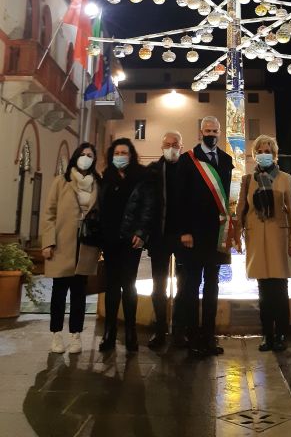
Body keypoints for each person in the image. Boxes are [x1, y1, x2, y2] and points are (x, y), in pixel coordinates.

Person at [177, 116, 233, 357]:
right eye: (207, 131)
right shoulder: (187, 160)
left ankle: (209, 336)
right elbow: (180, 198)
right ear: (201, 133)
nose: (211, 134)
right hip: (193, 234)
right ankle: (192, 336)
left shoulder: (227, 160)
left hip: (216, 234)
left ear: (220, 132)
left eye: (215, 130)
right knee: (191, 284)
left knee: (213, 285)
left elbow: (226, 198)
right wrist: (184, 230)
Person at [236, 134, 291, 352]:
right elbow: (241, 209)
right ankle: (267, 335)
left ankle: (281, 334)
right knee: (263, 289)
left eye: (267, 151)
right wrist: (236, 236)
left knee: (279, 288)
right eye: (260, 151)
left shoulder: (285, 178)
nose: (263, 155)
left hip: (278, 237)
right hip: (256, 238)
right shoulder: (247, 180)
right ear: (254, 155)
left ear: (274, 154)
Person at [41, 142, 100, 354]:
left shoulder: (97, 184)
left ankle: (76, 335)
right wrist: (48, 242)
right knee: (59, 291)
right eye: (83, 154)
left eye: (90, 155)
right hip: (62, 243)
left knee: (79, 293)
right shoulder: (61, 181)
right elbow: (49, 213)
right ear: (76, 157)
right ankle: (56, 334)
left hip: (86, 245)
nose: (86, 158)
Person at [98, 137, 155, 353]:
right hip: (110, 240)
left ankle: (131, 332)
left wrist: (141, 233)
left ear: (131, 156)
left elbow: (148, 207)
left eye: (124, 153)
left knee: (129, 285)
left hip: (131, 240)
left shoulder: (141, 177)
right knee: (112, 286)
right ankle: (109, 332)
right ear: (111, 156)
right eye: (117, 153)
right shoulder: (107, 177)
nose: (120, 156)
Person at [147, 130, 187, 349]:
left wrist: (189, 231)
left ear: (181, 146)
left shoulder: (187, 169)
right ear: (161, 147)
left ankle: (179, 330)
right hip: (159, 236)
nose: (171, 148)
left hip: (182, 236)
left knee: (184, 284)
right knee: (158, 285)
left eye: (175, 144)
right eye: (167, 144)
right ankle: (160, 329)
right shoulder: (153, 170)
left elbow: (192, 202)